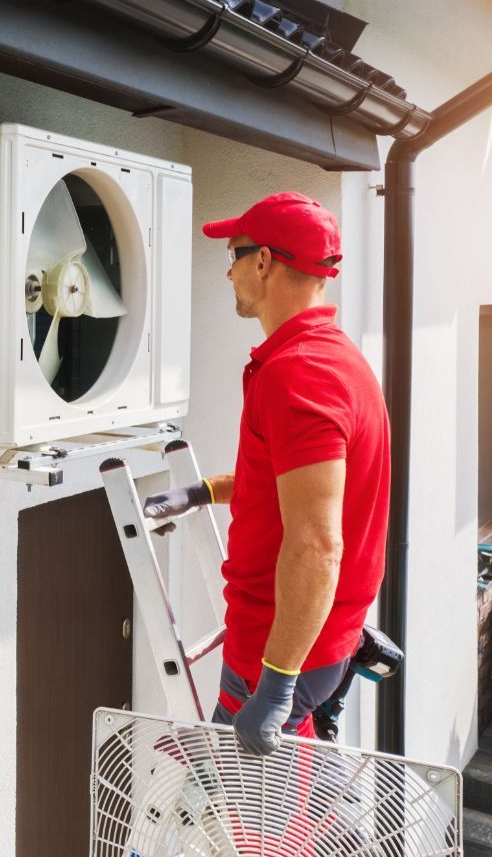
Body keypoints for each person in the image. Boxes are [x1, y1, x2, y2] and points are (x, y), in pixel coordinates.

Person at [142, 192, 391, 756]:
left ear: (263, 262)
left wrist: (276, 686)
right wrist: (201, 492)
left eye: (233, 255)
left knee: (257, 828)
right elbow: (291, 487)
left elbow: (317, 545)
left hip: (279, 651)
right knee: (257, 799)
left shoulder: (300, 375)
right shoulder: (328, 359)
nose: (227, 270)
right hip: (304, 642)